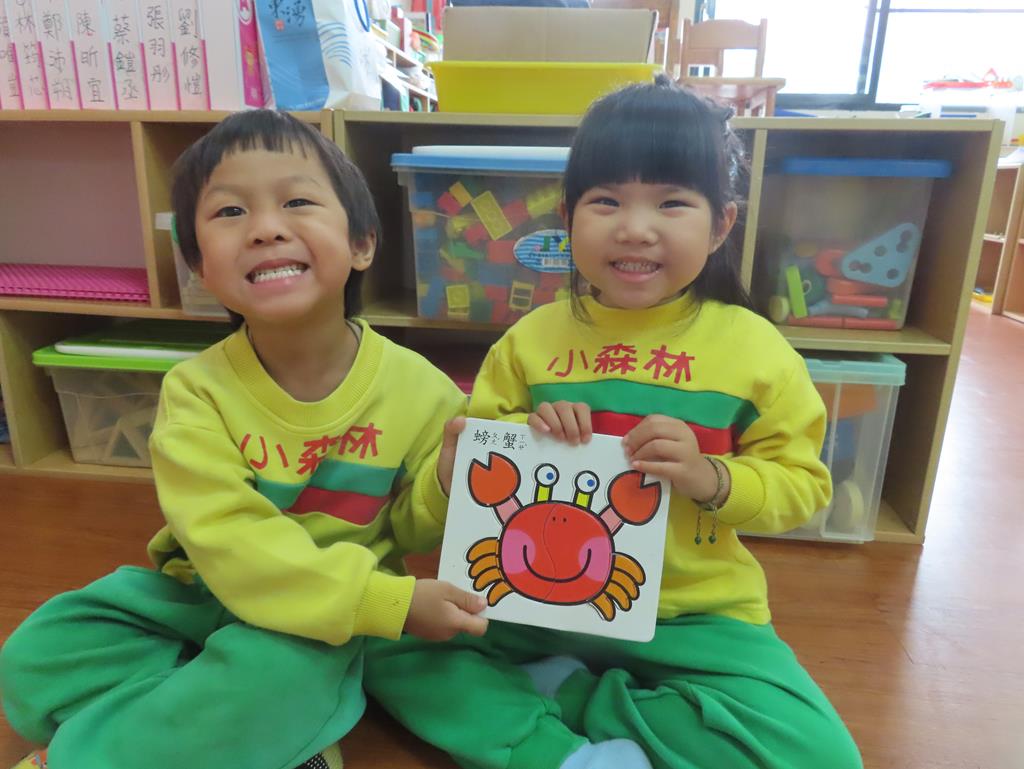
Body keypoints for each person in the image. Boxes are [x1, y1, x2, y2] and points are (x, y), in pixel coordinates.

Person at [364, 78, 863, 769]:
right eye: (606, 201)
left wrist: (711, 476)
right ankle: (566, 752)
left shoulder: (757, 352)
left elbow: (802, 487)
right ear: (567, 218)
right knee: (385, 644)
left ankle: (573, 697)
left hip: (689, 616)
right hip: (530, 604)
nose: (635, 227)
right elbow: (473, 492)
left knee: (819, 755)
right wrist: (491, 451)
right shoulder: (529, 342)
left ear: (721, 224)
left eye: (671, 202)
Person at [0, 110, 487, 769]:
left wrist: (445, 481)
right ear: (200, 266)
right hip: (204, 592)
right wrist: (392, 603)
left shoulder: (420, 388)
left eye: (297, 202)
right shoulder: (195, 391)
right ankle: (267, 729)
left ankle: (100, 751)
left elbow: (411, 528)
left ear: (362, 242)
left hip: (330, 618)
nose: (265, 228)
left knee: (278, 670)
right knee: (36, 657)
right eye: (230, 212)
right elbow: (229, 539)